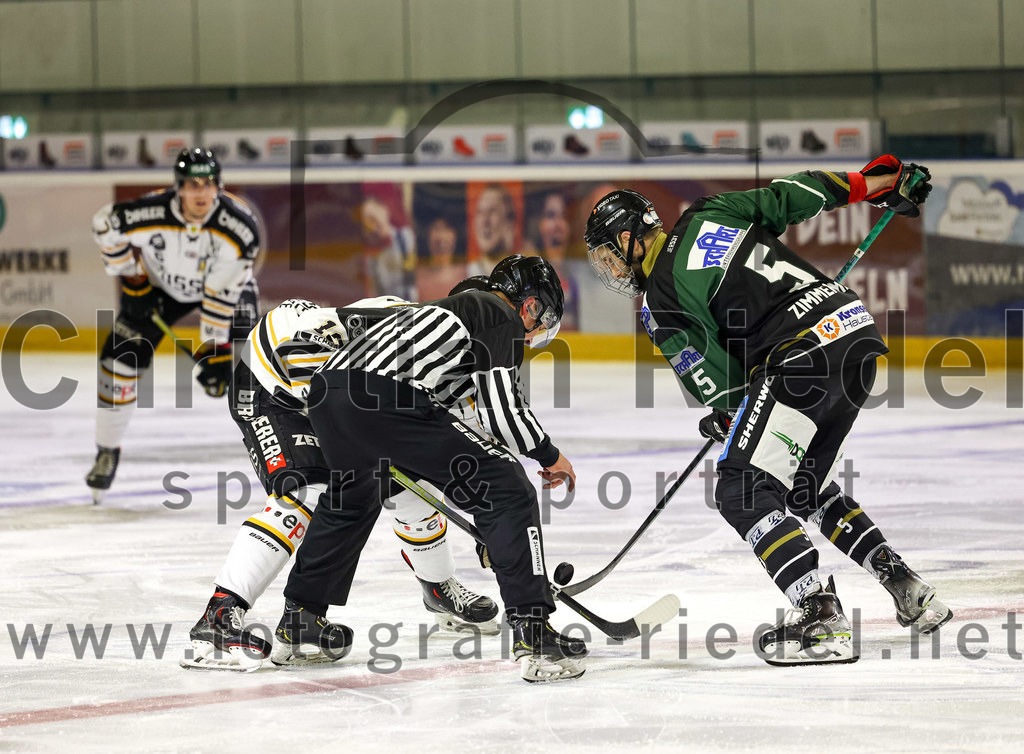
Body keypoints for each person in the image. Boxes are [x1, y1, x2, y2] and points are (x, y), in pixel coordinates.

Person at [584, 155, 952, 666]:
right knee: (802, 481)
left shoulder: (661, 296)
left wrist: (731, 413)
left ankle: (821, 616)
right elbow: (793, 194)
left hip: (799, 357)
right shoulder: (705, 213)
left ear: (630, 238)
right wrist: (873, 185)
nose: (612, 268)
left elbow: (721, 383)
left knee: (741, 486)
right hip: (853, 332)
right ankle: (908, 586)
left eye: (609, 254)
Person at [274, 255, 588, 683]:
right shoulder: (497, 312)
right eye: (538, 314)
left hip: (329, 392)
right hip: (386, 396)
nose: (533, 328)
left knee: (350, 501)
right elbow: (502, 411)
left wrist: (498, 534)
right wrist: (549, 455)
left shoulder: (436, 319)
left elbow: (454, 437)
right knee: (508, 488)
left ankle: (300, 623)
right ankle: (535, 636)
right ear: (527, 304)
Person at [181, 283, 501, 672]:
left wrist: (491, 523)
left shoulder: (457, 362)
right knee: (309, 491)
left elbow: (459, 452)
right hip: (272, 384)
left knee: (413, 487)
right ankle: (219, 616)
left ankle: (438, 588)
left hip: (327, 386)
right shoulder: (401, 325)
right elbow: (305, 358)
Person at [86, 147, 261, 503]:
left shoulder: (240, 229)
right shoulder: (149, 212)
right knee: (116, 365)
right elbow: (104, 224)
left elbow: (220, 291)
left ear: (219, 186)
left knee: (250, 369)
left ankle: (279, 453)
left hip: (223, 289)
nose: (201, 193)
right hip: (159, 291)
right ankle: (107, 449)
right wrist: (133, 279)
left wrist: (216, 348)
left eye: (208, 184)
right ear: (178, 187)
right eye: (192, 184)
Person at [468, 183, 518, 275]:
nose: (484, 221)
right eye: (480, 212)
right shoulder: (466, 274)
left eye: (492, 211)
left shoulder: (521, 274)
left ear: (509, 222)